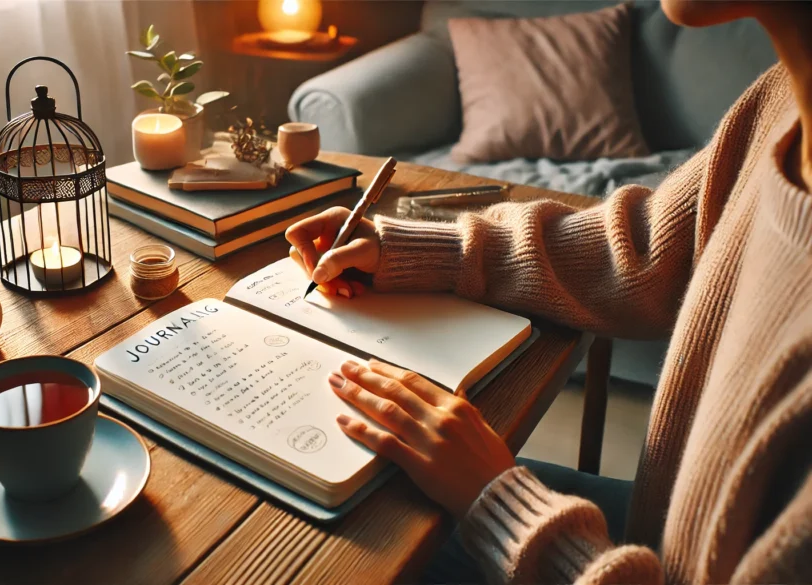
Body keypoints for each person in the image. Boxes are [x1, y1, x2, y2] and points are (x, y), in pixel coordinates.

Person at [284, 1, 812, 583]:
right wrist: (413, 249)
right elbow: (641, 249)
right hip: (668, 521)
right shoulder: (781, 101)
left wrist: (499, 499)